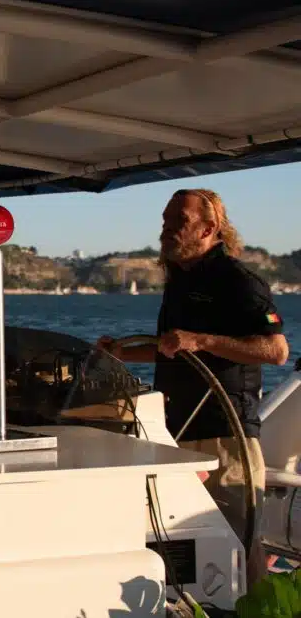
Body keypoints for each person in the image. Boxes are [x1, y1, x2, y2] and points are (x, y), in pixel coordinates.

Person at [97, 188, 288, 587]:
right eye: (165, 221)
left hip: (225, 435)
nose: (166, 230)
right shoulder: (179, 281)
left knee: (238, 542)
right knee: (188, 545)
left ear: (208, 227)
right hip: (175, 434)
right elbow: (174, 349)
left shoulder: (239, 281)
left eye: (178, 222)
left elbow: (275, 351)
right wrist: (119, 353)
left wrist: (201, 340)